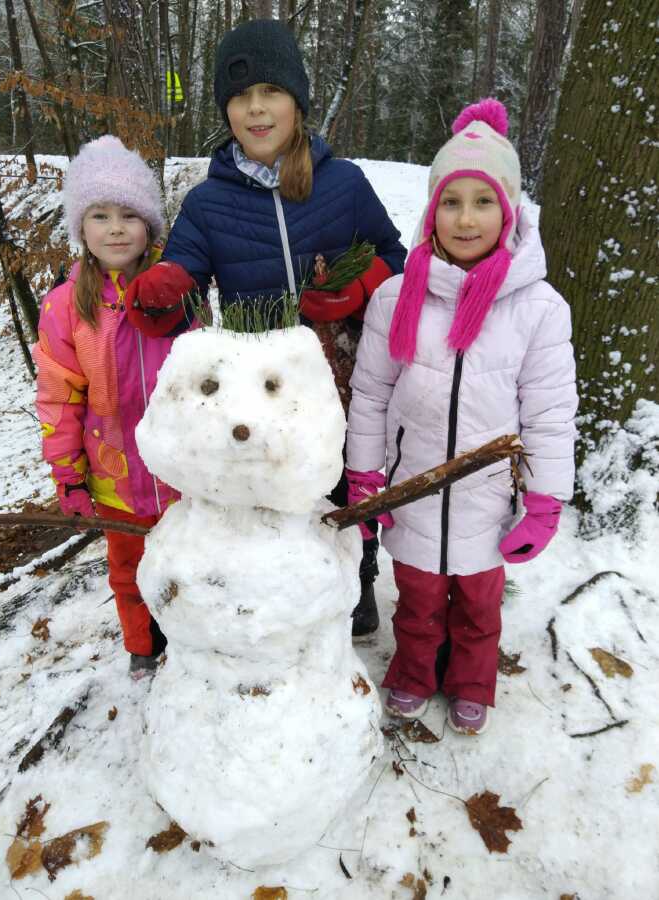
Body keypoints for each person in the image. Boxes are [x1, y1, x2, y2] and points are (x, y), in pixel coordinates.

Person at [124, 19, 407, 637]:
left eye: (270, 91)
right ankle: (278, 599)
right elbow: (183, 282)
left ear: (297, 101)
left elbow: (395, 256)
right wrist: (163, 290)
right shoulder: (208, 203)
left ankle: (357, 582)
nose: (255, 108)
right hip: (261, 389)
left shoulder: (344, 183)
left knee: (345, 484)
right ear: (225, 111)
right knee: (277, 486)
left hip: (343, 376)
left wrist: (359, 285)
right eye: (239, 96)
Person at [345, 99, 578, 734]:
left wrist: (545, 500)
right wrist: (365, 480)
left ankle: (472, 680)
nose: (466, 218)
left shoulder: (538, 308)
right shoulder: (397, 296)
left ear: (509, 211)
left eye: (483, 202)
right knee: (417, 601)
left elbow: (551, 413)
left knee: (479, 606)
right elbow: (370, 394)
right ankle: (414, 672)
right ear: (431, 212)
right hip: (413, 488)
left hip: (489, 498)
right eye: (451, 201)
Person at [33, 136, 182, 680]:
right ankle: (143, 647)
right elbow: (58, 398)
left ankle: (190, 647)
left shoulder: (178, 292)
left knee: (186, 565)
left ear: (150, 226)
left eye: (129, 215)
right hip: (114, 479)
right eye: (100, 215)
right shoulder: (65, 307)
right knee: (128, 571)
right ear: (81, 227)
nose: (115, 229)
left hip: (180, 477)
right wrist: (68, 477)